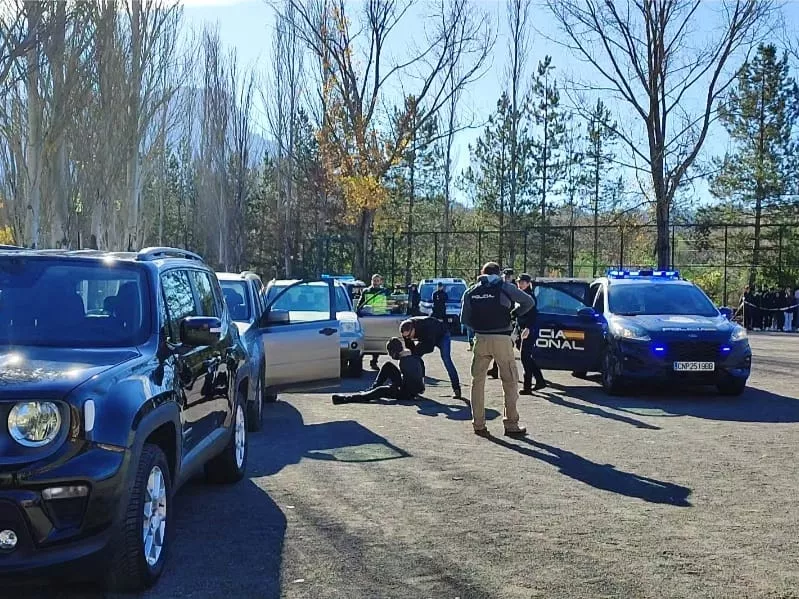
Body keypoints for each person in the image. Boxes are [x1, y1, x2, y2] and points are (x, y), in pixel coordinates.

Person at [461, 261, 534, 438]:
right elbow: (528, 301)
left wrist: (480, 328)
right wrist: (513, 314)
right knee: (509, 381)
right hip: (502, 338)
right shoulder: (504, 287)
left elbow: (464, 319)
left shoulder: (471, 290)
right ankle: (511, 424)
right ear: (499, 273)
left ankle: (478, 424)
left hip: (481, 339)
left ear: (481, 273)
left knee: (477, 382)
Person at [332, 337, 424, 404]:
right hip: (417, 388)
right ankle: (374, 387)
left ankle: (347, 398)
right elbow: (420, 375)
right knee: (388, 365)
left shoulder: (404, 362)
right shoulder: (414, 356)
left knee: (380, 391)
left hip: (408, 392)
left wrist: (393, 387)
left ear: (393, 352)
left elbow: (410, 381)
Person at [400, 315, 461, 399]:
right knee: (414, 358)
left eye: (409, 335)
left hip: (442, 335)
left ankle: (456, 388)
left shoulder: (426, 326)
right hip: (427, 339)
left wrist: (416, 352)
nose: (408, 338)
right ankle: (416, 387)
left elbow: (429, 348)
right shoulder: (406, 330)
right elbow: (411, 349)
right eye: (406, 336)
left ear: (413, 329)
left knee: (446, 360)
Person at [516, 273, 547, 394]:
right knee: (527, 357)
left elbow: (533, 315)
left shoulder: (529, 297)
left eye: (523, 282)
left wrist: (528, 328)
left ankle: (527, 386)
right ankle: (540, 380)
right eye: (519, 282)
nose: (520, 284)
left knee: (525, 357)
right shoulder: (520, 295)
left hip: (528, 330)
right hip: (522, 330)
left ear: (528, 283)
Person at [358, 273, 391, 369]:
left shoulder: (384, 292)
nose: (376, 282)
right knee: (365, 340)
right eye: (374, 280)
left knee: (378, 342)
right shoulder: (366, 291)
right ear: (371, 281)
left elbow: (391, 303)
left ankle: (374, 361)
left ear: (381, 281)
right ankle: (359, 362)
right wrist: (360, 313)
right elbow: (360, 305)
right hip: (368, 318)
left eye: (377, 280)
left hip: (381, 318)